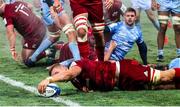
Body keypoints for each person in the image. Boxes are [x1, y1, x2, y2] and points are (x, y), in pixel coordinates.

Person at [37, 57, 180, 93]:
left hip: (125, 70)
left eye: (56, 72)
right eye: (54, 75)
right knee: (157, 87)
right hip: (122, 84)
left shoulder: (75, 66)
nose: (57, 76)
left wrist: (49, 79)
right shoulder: (76, 82)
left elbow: (67, 74)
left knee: (164, 77)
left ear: (62, 67)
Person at [25, 0, 81, 67]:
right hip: (54, 6)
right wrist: (53, 8)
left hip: (47, 8)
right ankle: (78, 63)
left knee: (54, 35)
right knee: (71, 33)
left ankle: (32, 60)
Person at [0, 0, 50, 64]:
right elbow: (30, 6)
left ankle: (49, 51)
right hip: (40, 26)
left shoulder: (7, 14)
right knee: (23, 42)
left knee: (26, 61)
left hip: (34, 35)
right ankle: (44, 45)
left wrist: (12, 49)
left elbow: (10, 33)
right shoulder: (16, 3)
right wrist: (33, 17)